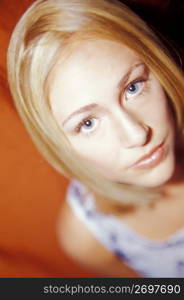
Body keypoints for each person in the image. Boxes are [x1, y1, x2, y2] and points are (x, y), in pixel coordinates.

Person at [7, 0, 184, 277]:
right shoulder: (89, 239)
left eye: (133, 88)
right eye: (87, 123)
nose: (137, 135)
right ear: (57, 143)